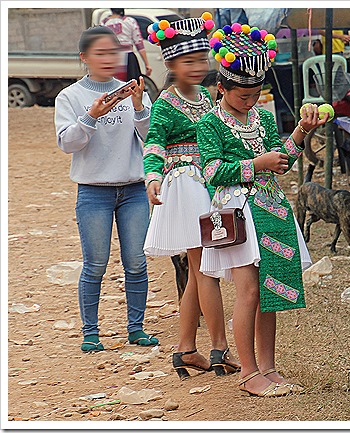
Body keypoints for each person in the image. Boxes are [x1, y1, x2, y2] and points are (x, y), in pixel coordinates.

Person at [197, 23, 329, 397]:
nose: (251, 101)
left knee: (269, 290)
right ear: (221, 88)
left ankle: (268, 367)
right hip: (235, 213)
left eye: (256, 94)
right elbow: (210, 171)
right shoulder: (209, 123)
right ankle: (248, 371)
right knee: (248, 292)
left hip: (270, 208)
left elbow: (282, 160)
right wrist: (256, 164)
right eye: (243, 96)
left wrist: (301, 132)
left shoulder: (264, 118)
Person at [143, 13, 239, 379]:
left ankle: (186, 349)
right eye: (189, 61)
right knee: (207, 271)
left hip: (207, 183)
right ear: (170, 64)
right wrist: (152, 176)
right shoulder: (166, 103)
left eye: (202, 59)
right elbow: (154, 143)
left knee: (200, 271)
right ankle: (219, 349)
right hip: (184, 184)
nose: (199, 66)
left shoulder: (205, 97)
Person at [55, 26, 155, 352]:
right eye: (100, 52)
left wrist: (139, 106)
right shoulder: (70, 96)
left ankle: (136, 329)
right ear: (84, 57)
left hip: (134, 190)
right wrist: (92, 115)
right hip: (93, 192)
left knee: (136, 262)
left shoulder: (134, 91)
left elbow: (150, 138)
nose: (109, 58)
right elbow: (67, 143)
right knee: (95, 264)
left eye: (114, 52)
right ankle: (91, 333)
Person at [101, 8, 153, 81]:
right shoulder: (130, 21)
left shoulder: (104, 23)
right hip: (129, 59)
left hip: (112, 59)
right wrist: (147, 64)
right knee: (132, 86)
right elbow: (139, 43)